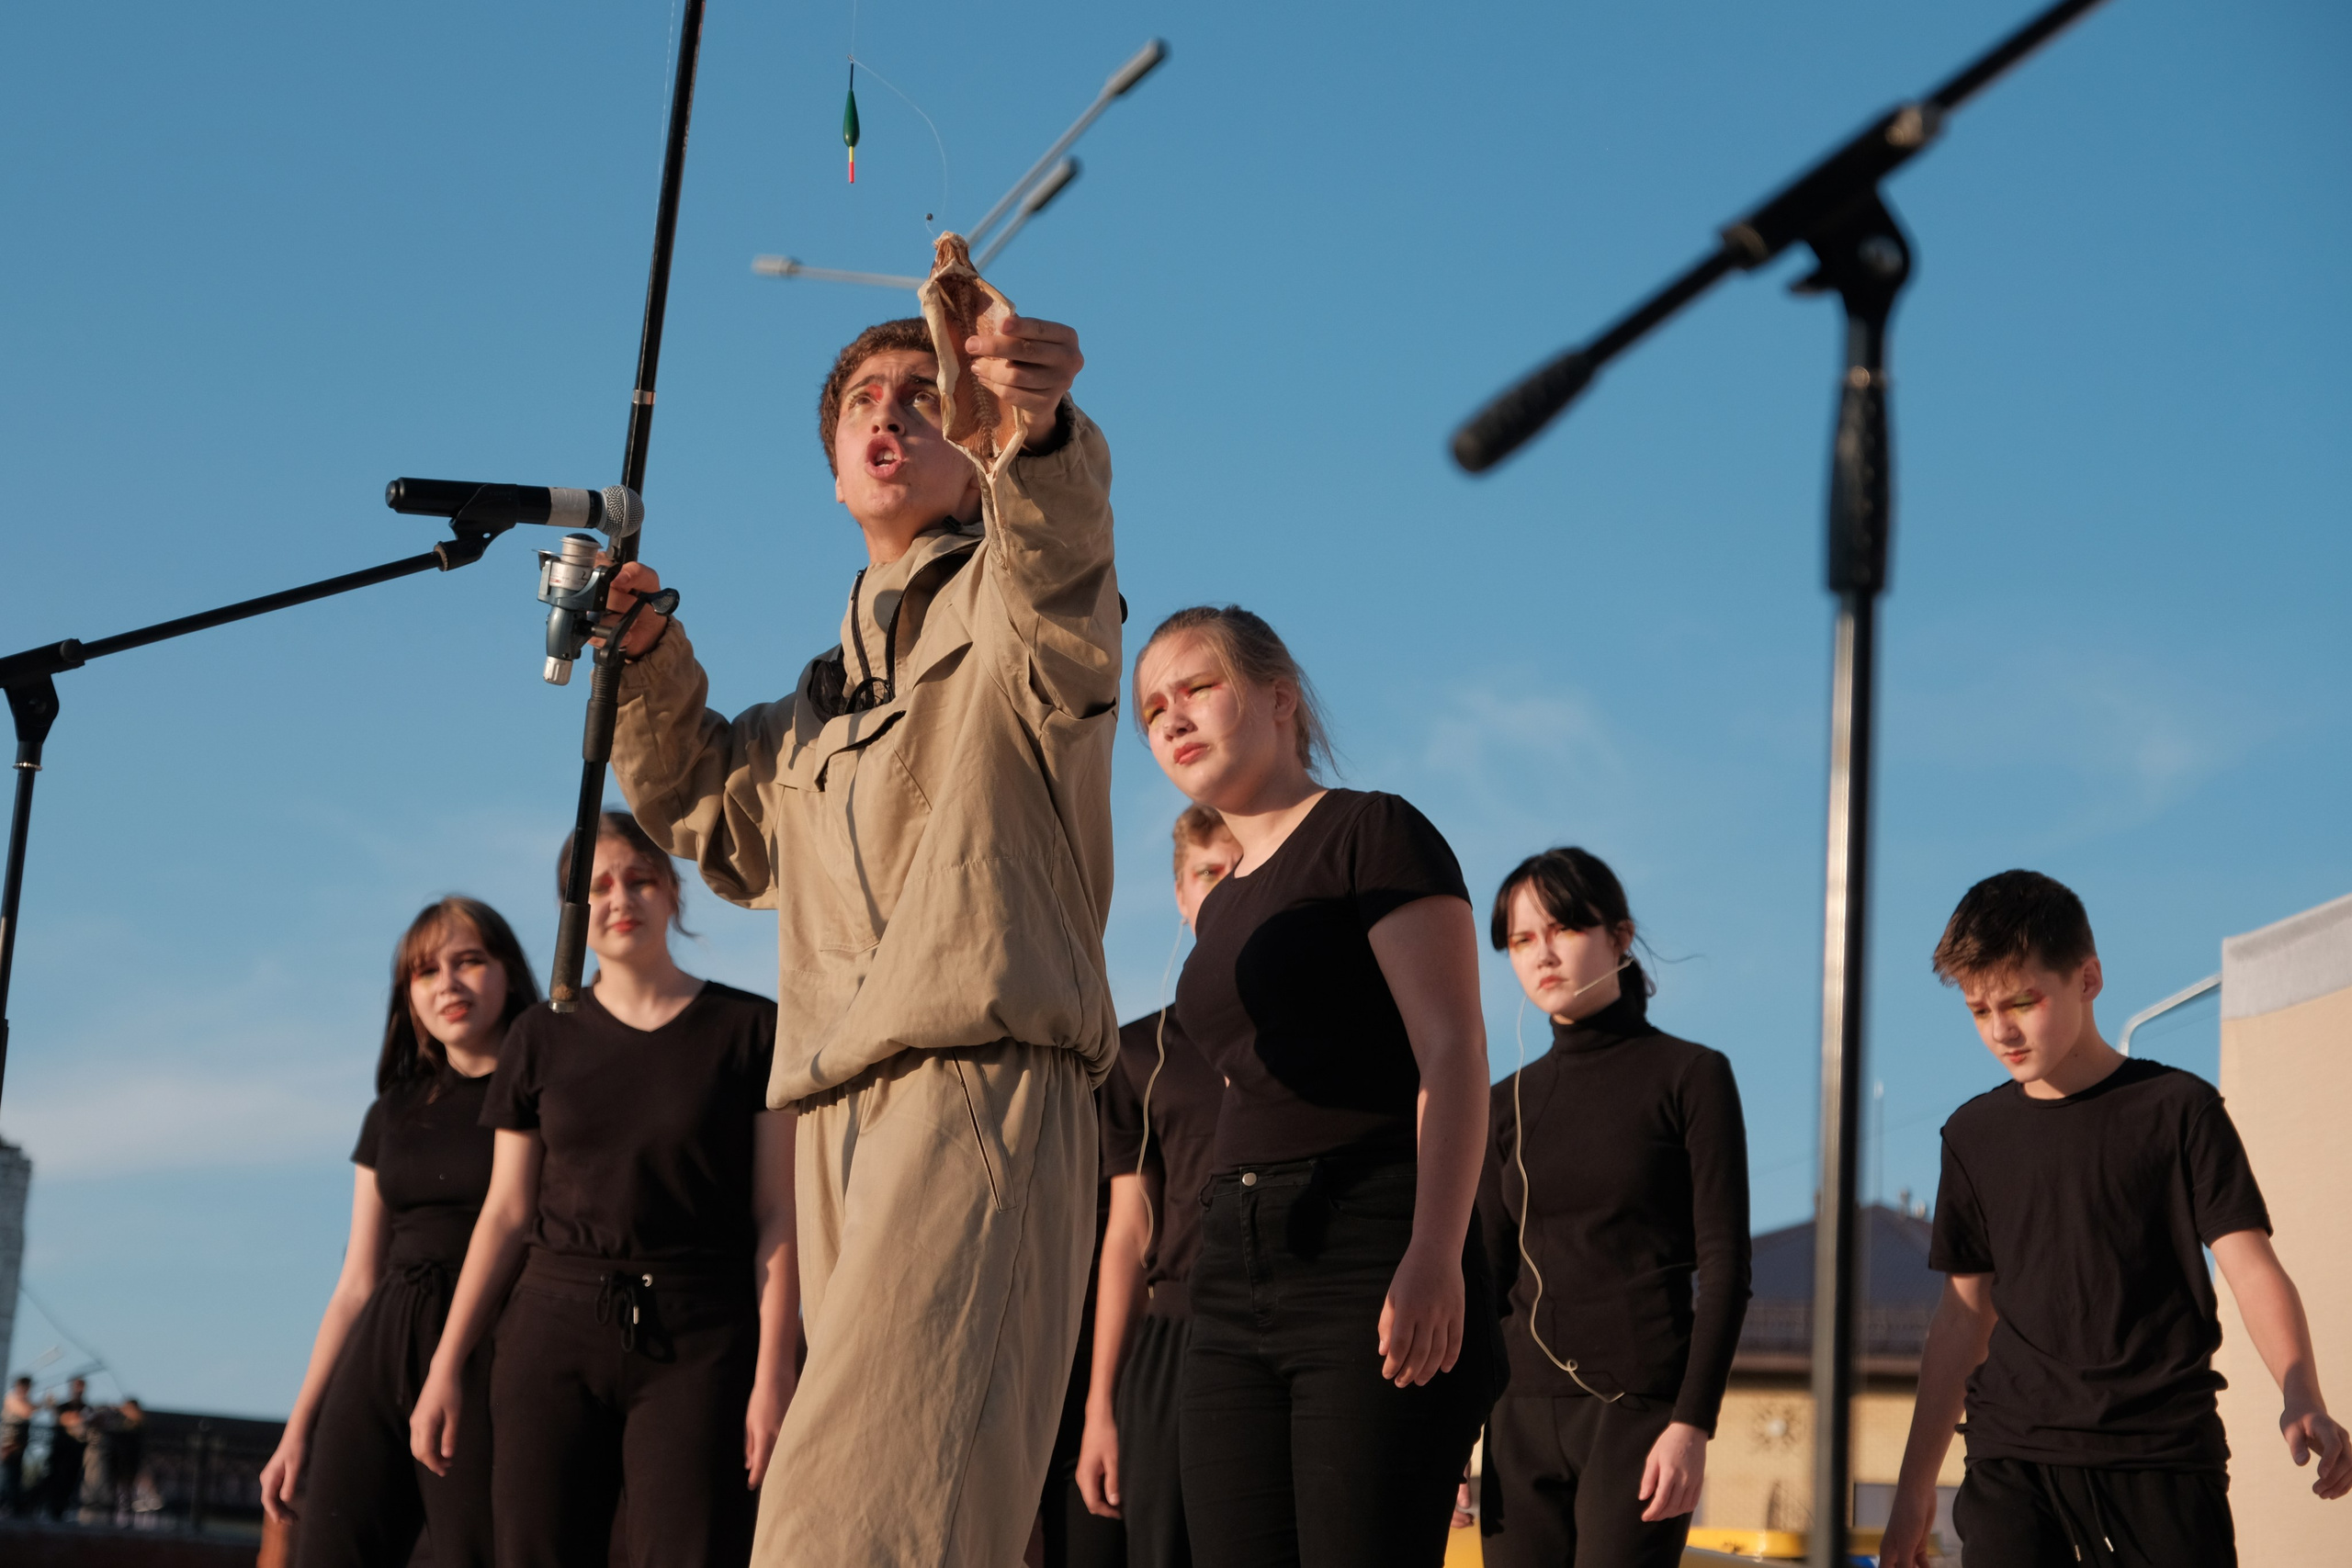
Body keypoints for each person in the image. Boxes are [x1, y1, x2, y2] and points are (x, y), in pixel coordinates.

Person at [597, 303, 1115, 1568]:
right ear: (834, 472)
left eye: (923, 394)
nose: (889, 412)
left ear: (973, 438)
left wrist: (1040, 430)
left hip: (975, 1085)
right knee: (933, 1510)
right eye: (862, 402)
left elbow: (1059, 569)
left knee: (855, 1515)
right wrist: (646, 655)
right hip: (834, 1113)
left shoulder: (1009, 605)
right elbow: (710, 814)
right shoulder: (808, 710)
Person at [1131, 605, 1497, 1568]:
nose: (1172, 718)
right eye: (1153, 710)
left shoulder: (1370, 831)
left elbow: (1453, 1049)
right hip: (1229, 1266)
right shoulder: (1222, 904)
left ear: (1280, 697)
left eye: (1197, 687)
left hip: (1367, 1243)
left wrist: (1434, 1251)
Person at [1879, 870, 2352, 1568]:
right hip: (2013, 1461)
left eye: (2022, 1001)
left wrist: (2300, 1389)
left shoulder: (2179, 1110)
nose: (2001, 1029)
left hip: (2161, 1458)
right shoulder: (1973, 1137)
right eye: (1979, 1010)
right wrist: (1914, 1488)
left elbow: (2251, 1269)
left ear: (2088, 979)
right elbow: (1962, 1316)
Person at [410, 812, 794, 1568]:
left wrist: (775, 1373)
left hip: (702, 1338)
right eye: (597, 886)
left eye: (640, 878)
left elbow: (778, 1216)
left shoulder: (751, 1029)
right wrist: (445, 1365)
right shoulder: (538, 1036)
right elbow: (506, 1213)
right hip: (550, 1333)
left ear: (673, 891)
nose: (620, 898)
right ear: (573, 913)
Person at [1469, 847, 1750, 1567]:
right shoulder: (1504, 1104)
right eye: (1521, 939)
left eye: (1562, 928)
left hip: (1639, 1414)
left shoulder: (1691, 1075)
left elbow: (1725, 1266)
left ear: (1619, 936)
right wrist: (1456, 1439)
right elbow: (1486, 1284)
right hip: (1516, 1420)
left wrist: (1693, 1422)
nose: (1542, 954)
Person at [258, 896, 537, 1568]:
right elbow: (356, 1281)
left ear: (508, 972)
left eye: (469, 961)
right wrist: (300, 1425)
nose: (448, 983)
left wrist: (449, 1364)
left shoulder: (541, 1096)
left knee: (473, 1550)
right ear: (407, 996)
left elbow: (518, 1218)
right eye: (426, 970)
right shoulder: (390, 1112)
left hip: (488, 1343)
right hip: (381, 1340)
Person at [1073, 807, 1241, 1568]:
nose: (1226, 886)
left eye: (1243, 868)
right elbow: (1128, 1234)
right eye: (1209, 871)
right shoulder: (1141, 1052)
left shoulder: (1330, 1036)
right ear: (1180, 892)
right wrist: (1100, 1405)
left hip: (1300, 1325)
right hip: (1174, 1338)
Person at [45, 1377, 87, 1521]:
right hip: (61, 1451)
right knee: (57, 1480)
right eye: (77, 1386)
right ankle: (53, 1510)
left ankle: (63, 1510)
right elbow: (63, 1418)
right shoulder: (63, 1407)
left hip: (76, 1452)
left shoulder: (85, 1407)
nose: (79, 1390)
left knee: (71, 1481)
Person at [2, 1376, 32, 1516]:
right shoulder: (11, 1399)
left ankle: (13, 1507)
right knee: (7, 1477)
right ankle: (6, 1506)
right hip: (8, 1445)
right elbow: (26, 1411)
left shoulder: (24, 1401)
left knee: (14, 1477)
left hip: (19, 1446)